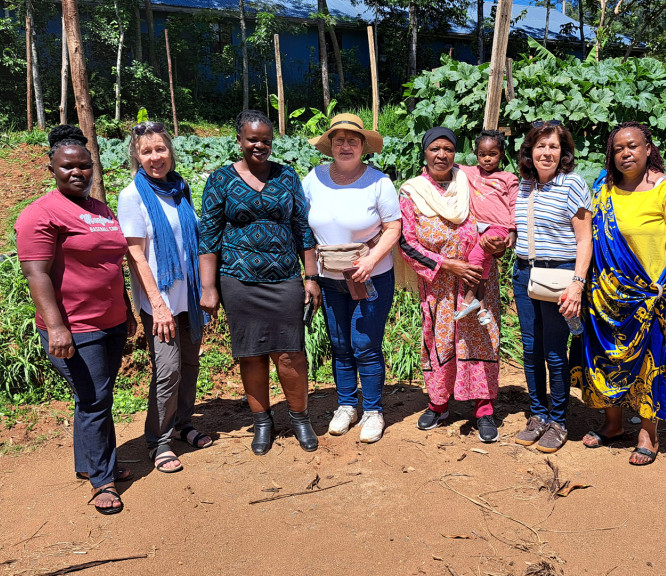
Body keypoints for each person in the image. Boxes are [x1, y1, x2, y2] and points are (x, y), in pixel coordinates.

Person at [15, 125, 136, 514]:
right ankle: (103, 480)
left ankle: (90, 464)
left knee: (94, 397)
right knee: (94, 399)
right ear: (51, 167)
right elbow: (36, 274)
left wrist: (126, 308)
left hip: (111, 322)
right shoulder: (41, 214)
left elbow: (112, 263)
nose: (78, 172)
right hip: (75, 328)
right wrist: (56, 327)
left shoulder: (99, 209)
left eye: (85, 166)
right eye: (68, 166)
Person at [199, 110, 321, 455]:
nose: (259, 145)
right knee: (251, 354)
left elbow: (302, 228)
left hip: (285, 278)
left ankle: (300, 418)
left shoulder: (287, 176)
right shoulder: (221, 179)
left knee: (291, 353)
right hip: (238, 281)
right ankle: (263, 422)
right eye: (252, 139)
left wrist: (311, 277)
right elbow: (208, 236)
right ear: (239, 140)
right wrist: (208, 287)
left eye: (265, 140)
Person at [576, 121, 666, 465]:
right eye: (618, 148)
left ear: (648, 149)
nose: (625, 153)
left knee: (651, 362)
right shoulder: (603, 189)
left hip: (648, 296)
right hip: (604, 296)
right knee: (605, 358)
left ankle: (648, 433)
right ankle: (613, 424)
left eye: (633, 146)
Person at [398, 126, 504, 443]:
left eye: (448, 148)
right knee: (439, 341)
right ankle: (439, 404)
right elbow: (406, 242)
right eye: (435, 148)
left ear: (456, 153)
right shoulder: (412, 192)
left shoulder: (471, 182)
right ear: (425, 152)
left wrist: (499, 242)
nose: (442, 154)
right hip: (438, 284)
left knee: (481, 338)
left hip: (477, 277)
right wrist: (446, 264)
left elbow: (497, 215)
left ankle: (484, 409)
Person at [118, 121, 210, 474]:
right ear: (137, 157)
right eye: (147, 151)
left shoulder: (179, 189)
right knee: (168, 369)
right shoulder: (132, 196)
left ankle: (183, 424)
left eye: (160, 149)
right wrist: (157, 305)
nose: (155, 157)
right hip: (160, 302)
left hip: (188, 297)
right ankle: (158, 440)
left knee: (190, 364)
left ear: (170, 151)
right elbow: (135, 255)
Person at [302, 113, 401, 443]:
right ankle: (346, 405)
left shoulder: (378, 182)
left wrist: (371, 260)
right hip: (330, 278)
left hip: (370, 277)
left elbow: (393, 227)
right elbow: (302, 224)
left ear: (363, 146)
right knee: (340, 344)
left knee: (365, 344)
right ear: (330, 145)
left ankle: (372, 410)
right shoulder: (313, 179)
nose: (346, 146)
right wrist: (310, 274)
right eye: (339, 140)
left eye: (353, 141)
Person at [511, 121, 593, 454]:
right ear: (529, 150)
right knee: (531, 349)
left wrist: (577, 284)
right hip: (524, 274)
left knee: (555, 351)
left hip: (560, 276)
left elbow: (584, 239)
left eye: (554, 147)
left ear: (563, 152)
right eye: (540, 146)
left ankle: (558, 421)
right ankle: (538, 415)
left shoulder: (572, 184)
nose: (547, 153)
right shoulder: (524, 185)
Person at [454, 130, 519, 326]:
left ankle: (469, 299)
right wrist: (426, 169)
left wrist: (513, 230)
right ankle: (482, 308)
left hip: (499, 227)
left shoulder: (508, 178)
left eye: (493, 154)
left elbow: (515, 204)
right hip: (478, 227)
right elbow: (450, 164)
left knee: (475, 257)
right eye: (482, 154)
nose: (487, 159)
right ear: (476, 154)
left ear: (502, 154)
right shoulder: (471, 172)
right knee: (484, 263)